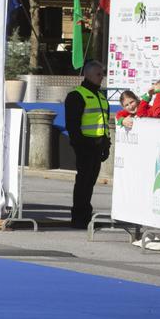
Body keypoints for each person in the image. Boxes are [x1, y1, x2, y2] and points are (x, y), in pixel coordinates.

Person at [64, 60, 110, 229]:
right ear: (88, 74)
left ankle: (85, 215)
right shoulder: (77, 95)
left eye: (102, 74)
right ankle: (78, 217)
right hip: (85, 145)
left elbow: (104, 122)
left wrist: (107, 144)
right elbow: (72, 125)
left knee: (89, 182)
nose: (101, 77)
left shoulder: (100, 96)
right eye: (98, 74)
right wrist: (80, 145)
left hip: (98, 146)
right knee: (83, 182)